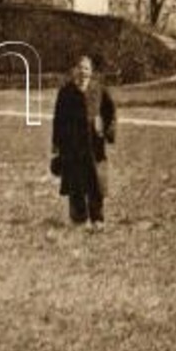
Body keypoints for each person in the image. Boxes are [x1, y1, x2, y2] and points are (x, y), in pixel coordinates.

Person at [51, 55, 116, 228]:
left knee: (96, 182)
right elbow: (58, 119)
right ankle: (78, 218)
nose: (83, 72)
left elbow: (110, 111)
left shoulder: (99, 89)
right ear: (73, 71)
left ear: (91, 72)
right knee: (75, 182)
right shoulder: (65, 92)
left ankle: (97, 218)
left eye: (86, 69)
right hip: (72, 145)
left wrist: (107, 131)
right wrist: (56, 144)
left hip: (94, 144)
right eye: (80, 68)